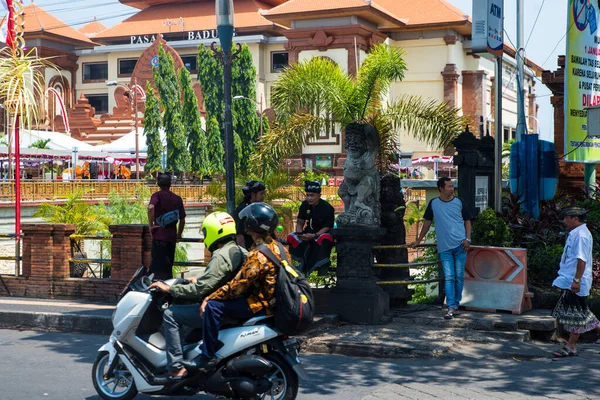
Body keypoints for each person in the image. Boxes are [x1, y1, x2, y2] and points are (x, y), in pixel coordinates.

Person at [149, 211, 246, 380]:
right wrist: (199, 280)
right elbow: (217, 279)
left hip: (221, 310)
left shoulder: (221, 256)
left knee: (171, 314)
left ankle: (175, 367)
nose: (205, 237)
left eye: (206, 233)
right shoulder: (239, 250)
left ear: (215, 231)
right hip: (235, 306)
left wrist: (169, 289)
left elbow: (201, 289)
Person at [193, 202, 288, 370]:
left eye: (248, 222)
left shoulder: (258, 254)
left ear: (253, 225)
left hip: (260, 304)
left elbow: (238, 285)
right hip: (274, 300)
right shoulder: (279, 247)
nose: (245, 225)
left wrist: (209, 298)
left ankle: (207, 355)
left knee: (214, 307)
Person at [410, 176, 472, 320]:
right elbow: (427, 222)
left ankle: (455, 304)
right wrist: (419, 240)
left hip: (461, 245)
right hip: (444, 247)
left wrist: (468, 239)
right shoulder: (433, 203)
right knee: (449, 277)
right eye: (449, 186)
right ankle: (451, 307)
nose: (452, 188)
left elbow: (467, 221)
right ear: (441, 189)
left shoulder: (459, 202)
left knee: (458, 277)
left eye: (452, 186)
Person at [551, 206, 600, 357]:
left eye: (567, 218)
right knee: (581, 311)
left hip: (576, 281)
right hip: (569, 279)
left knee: (576, 316)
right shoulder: (576, 233)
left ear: (576, 219)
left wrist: (577, 280)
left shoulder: (581, 236)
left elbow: (581, 260)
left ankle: (571, 346)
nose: (565, 221)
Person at [287, 180, 335, 276]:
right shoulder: (305, 205)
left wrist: (314, 235)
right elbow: (300, 222)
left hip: (321, 233)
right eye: (307, 195)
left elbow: (327, 227)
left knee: (325, 238)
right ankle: (296, 266)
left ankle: (322, 265)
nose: (309, 198)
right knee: (292, 237)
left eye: (312, 195)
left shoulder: (327, 208)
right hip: (308, 232)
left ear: (319, 195)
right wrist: (299, 233)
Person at [148, 172, 186, 280]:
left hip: (159, 237)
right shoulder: (177, 198)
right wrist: (179, 234)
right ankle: (167, 292)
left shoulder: (157, 195)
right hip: (171, 238)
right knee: (168, 268)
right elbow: (182, 219)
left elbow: (151, 208)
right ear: (170, 184)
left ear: (158, 184)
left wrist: (151, 226)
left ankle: (156, 290)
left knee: (156, 269)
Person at [233, 180, 266, 249]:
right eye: (261, 194)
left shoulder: (258, 209)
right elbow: (239, 236)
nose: (263, 196)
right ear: (253, 194)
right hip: (249, 251)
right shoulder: (243, 210)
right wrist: (245, 256)